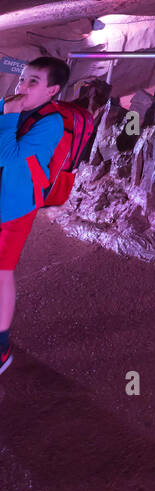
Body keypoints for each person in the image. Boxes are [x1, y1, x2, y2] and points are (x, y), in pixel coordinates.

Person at [0, 56, 69, 374]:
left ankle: (1, 349)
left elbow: (8, 155)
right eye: (22, 78)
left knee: (1, 273)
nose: (22, 86)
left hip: (14, 209)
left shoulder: (51, 123)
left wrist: (8, 116)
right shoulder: (8, 105)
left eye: (33, 82)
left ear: (52, 90)